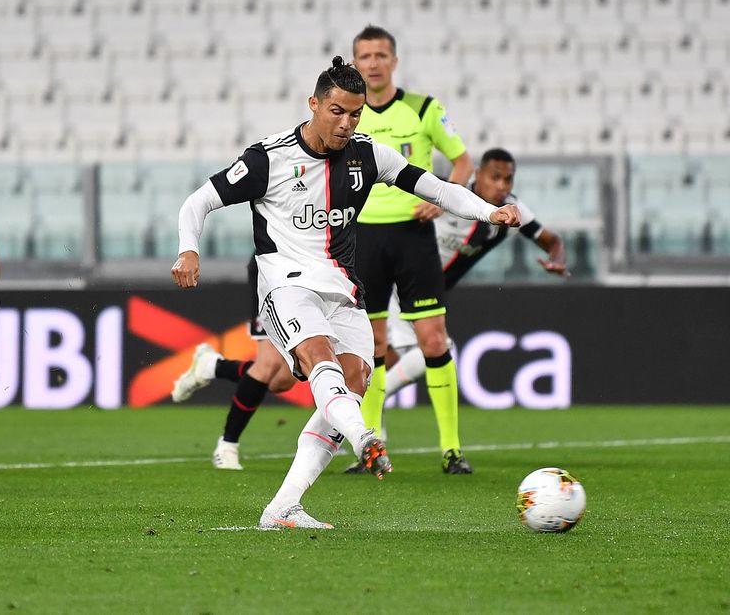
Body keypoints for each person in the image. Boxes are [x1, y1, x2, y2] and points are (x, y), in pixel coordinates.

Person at [171, 57, 520, 529]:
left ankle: (284, 507)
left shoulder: (367, 154)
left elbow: (435, 188)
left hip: (343, 289)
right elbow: (200, 201)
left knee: (354, 382)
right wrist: (188, 250)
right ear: (314, 104)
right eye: (336, 111)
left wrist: (487, 212)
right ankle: (365, 439)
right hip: (286, 283)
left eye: (355, 114)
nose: (346, 123)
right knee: (321, 362)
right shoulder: (268, 159)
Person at [349, 24, 475, 475]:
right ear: (355, 63)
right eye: (365, 56)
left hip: (413, 237)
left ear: (394, 61)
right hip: (362, 238)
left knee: (433, 339)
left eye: (381, 55)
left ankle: (452, 449)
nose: (373, 63)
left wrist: (439, 197)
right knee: (372, 345)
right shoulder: (348, 112)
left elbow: (462, 162)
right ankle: (372, 447)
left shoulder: (423, 109)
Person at [383, 147, 569, 400]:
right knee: (432, 350)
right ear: (478, 175)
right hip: (398, 281)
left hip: (427, 293)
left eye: (508, 179)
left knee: (389, 360)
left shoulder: (513, 211)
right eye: (495, 177)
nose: (502, 186)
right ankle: (368, 409)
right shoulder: (446, 192)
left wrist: (556, 260)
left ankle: (368, 418)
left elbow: (552, 241)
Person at [171, 257, 296, 471]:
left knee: (281, 380)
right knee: (269, 364)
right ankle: (227, 446)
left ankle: (212, 366)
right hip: (274, 269)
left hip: (315, 274)